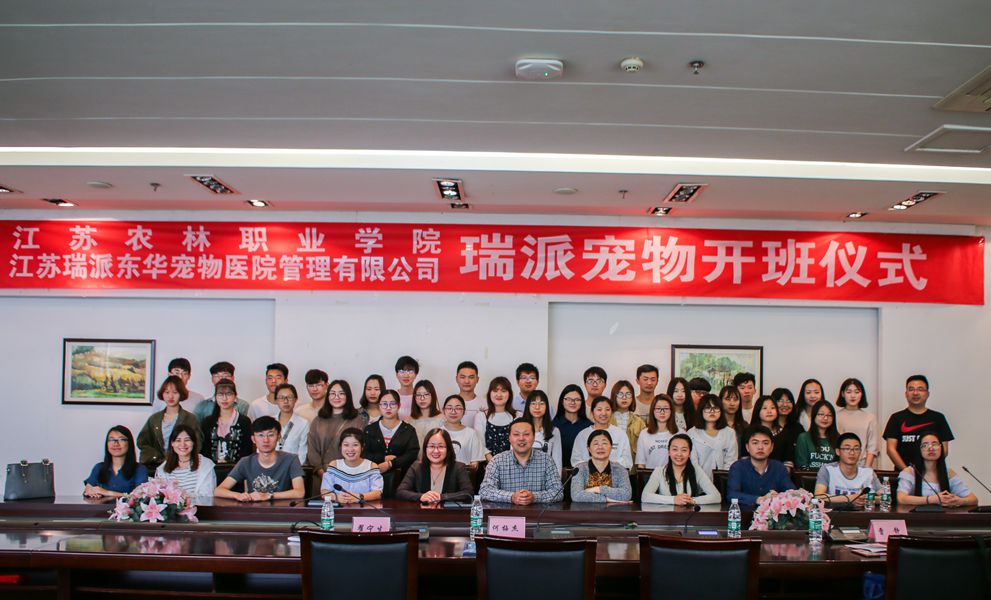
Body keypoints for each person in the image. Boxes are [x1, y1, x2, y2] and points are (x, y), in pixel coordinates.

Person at [214, 416, 305, 501]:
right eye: (260, 435)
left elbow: (300, 492)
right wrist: (238, 495)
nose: (266, 440)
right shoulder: (245, 462)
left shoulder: (291, 459)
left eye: (270, 435)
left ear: (278, 437)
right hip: (253, 510)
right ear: (253, 439)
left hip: (282, 510)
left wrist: (269, 495)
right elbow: (218, 491)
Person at [479, 420, 564, 504]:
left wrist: (534, 497)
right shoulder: (497, 461)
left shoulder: (546, 460)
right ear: (509, 438)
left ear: (534, 437)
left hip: (538, 512)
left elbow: (558, 492)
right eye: (516, 434)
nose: (521, 438)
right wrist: (511, 497)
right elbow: (485, 491)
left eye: (526, 434)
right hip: (506, 512)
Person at [883, 375, 953, 471]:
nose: (915, 393)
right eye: (911, 389)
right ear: (906, 394)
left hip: (931, 475)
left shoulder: (938, 418)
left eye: (920, 389)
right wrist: (907, 471)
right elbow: (891, 449)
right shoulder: (896, 418)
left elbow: (944, 449)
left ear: (927, 394)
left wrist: (929, 471)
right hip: (903, 474)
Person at [307, 379, 367, 489]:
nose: (336, 397)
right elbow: (312, 450)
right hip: (321, 476)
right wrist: (322, 474)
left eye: (341, 393)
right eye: (333, 393)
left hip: (350, 476)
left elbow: (361, 448)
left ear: (348, 396)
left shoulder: (359, 420)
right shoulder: (318, 420)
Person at [897, 432, 976, 508]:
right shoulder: (910, 472)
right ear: (919, 449)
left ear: (941, 448)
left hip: (943, 516)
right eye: (925, 445)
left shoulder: (949, 473)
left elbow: (973, 499)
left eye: (935, 444)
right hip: (916, 516)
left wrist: (959, 501)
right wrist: (932, 499)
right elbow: (901, 498)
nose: (931, 448)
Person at [363, 389, 420, 497]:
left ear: (399, 406)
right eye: (384, 404)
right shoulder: (369, 430)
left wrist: (391, 464)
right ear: (379, 406)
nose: (388, 408)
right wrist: (383, 458)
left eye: (392, 404)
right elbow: (364, 454)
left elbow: (412, 454)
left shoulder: (408, 430)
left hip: (402, 482)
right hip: (372, 483)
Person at [397, 428, 474, 504]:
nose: (436, 451)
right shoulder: (416, 467)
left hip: (448, 512)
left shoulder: (458, 467)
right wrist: (421, 496)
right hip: (422, 511)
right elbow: (400, 491)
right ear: (425, 448)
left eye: (441, 446)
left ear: (448, 449)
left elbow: (468, 493)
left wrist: (441, 497)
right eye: (431, 446)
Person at [726, 426, 796, 510]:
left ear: (772, 447)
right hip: (744, 515)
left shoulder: (779, 468)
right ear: (747, 447)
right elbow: (732, 494)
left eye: (765, 443)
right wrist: (758, 499)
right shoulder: (738, 467)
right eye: (755, 443)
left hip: (772, 516)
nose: (760, 447)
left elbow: (792, 492)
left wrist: (778, 496)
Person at [137, 375, 200, 467]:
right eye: (167, 392)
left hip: (183, 465)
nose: (170, 396)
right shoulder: (154, 419)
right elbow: (142, 442)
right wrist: (155, 456)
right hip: (157, 465)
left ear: (181, 394)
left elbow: (198, 443)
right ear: (162, 394)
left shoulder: (190, 418)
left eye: (175, 392)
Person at [642, 433, 721, 505]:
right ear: (669, 452)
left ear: (689, 453)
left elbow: (716, 497)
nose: (679, 454)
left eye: (684, 450)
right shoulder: (659, 471)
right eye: (675, 449)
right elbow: (645, 496)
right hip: (667, 515)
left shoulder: (697, 470)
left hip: (690, 515)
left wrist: (692, 500)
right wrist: (673, 500)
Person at [813, 432, 879, 509]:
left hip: (862, 514)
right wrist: (850, 498)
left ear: (860, 452)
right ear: (838, 451)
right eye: (847, 448)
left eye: (856, 449)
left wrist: (866, 500)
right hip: (834, 514)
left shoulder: (868, 472)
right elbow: (819, 496)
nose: (852, 452)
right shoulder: (827, 469)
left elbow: (886, 497)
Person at [319, 428, 384, 503]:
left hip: (364, 508)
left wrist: (360, 497)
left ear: (362, 447)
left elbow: (378, 493)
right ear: (340, 447)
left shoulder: (371, 466)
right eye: (346, 445)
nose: (350, 449)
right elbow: (324, 491)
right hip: (339, 509)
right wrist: (336, 497)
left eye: (355, 445)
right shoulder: (334, 465)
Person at [83, 425, 148, 497]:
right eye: (111, 440)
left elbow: (140, 497)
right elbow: (88, 489)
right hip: (101, 505)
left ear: (129, 443)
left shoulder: (140, 469)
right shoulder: (99, 467)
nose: (116, 444)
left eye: (121, 439)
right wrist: (91, 492)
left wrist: (107, 492)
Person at [201, 378, 254, 465]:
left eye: (229, 394)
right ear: (215, 397)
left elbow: (247, 450)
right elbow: (204, 450)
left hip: (238, 469)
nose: (224, 398)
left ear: (235, 397)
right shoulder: (208, 422)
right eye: (220, 394)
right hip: (211, 469)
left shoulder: (244, 421)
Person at [155, 424, 217, 498]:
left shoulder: (206, 465)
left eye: (187, 440)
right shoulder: (162, 470)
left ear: (193, 442)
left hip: (199, 505)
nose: (183, 444)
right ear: (172, 443)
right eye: (178, 440)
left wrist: (181, 497)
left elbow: (207, 495)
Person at [570, 430, 633, 503]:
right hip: (585, 510)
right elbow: (576, 496)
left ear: (611, 447)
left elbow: (626, 494)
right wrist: (607, 499)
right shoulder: (580, 469)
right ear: (589, 449)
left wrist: (598, 489)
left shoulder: (620, 469)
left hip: (613, 510)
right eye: (596, 444)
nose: (600, 447)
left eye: (604, 443)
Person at [571, 396, 633, 469]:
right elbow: (576, 461)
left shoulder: (620, 434)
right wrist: (593, 468)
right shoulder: (582, 435)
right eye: (599, 409)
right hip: (587, 474)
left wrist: (608, 467)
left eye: (607, 409)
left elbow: (627, 461)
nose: (604, 413)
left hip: (615, 474)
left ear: (612, 412)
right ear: (592, 412)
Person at [686, 394, 738, 478]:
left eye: (716, 408)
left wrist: (724, 479)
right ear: (701, 410)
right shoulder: (692, 433)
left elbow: (731, 460)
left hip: (723, 480)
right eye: (707, 408)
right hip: (698, 480)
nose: (712, 411)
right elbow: (693, 463)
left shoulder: (729, 433)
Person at [835, 378, 878, 467]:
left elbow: (872, 447)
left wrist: (867, 468)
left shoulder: (870, 417)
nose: (853, 395)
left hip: (863, 463)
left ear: (862, 394)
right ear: (842, 394)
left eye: (857, 392)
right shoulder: (836, 416)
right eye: (849, 392)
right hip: (840, 463)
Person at [473, 377, 517, 460]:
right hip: (488, 464)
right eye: (495, 391)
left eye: (503, 391)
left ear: (510, 394)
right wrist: (493, 462)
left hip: (513, 463)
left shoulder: (517, 416)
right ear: (489, 394)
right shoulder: (481, 416)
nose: (499, 394)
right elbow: (479, 443)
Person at [746, 395, 795, 469]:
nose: (769, 411)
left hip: (779, 473)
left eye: (772, 408)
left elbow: (788, 461)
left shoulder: (785, 433)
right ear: (757, 410)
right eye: (764, 408)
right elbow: (744, 458)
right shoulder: (749, 432)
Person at [440, 395, 485, 470]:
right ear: (443, 410)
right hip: (441, 474)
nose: (453, 412)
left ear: (464, 411)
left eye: (458, 408)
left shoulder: (471, 433)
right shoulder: (437, 433)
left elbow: (474, 463)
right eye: (449, 408)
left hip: (464, 475)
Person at [521, 390, 562, 472]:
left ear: (547, 407)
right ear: (528, 406)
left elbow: (557, 461)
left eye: (541, 403)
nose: (537, 407)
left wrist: (556, 479)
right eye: (533, 403)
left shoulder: (554, 431)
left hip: (546, 475)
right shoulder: (520, 428)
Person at [552, 385, 592, 467]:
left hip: (583, 470)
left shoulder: (589, 426)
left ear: (582, 402)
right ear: (562, 401)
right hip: (558, 471)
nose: (573, 402)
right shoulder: (553, 426)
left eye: (577, 399)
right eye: (568, 399)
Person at [609, 380, 647, 465]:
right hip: (610, 465)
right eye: (620, 394)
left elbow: (644, 449)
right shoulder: (607, 419)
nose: (624, 397)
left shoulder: (639, 422)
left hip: (632, 467)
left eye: (628, 394)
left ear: (632, 397)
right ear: (614, 396)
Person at [636, 395, 678, 470]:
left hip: (674, 475)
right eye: (658, 408)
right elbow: (641, 464)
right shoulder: (644, 434)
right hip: (650, 475)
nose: (662, 412)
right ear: (653, 411)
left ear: (671, 411)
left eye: (666, 408)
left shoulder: (679, 433)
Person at [794, 400, 838, 470]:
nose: (825, 418)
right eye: (821, 414)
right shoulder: (803, 438)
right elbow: (801, 465)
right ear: (814, 415)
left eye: (829, 415)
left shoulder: (838, 439)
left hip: (832, 476)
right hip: (808, 476)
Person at [273, 383, 310, 465]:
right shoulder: (270, 422)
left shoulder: (303, 424)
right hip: (271, 468)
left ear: (295, 399)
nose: (286, 401)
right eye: (281, 398)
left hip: (293, 468)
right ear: (276, 401)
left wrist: (294, 469)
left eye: (289, 397)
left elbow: (303, 453)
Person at [406, 379, 445, 444]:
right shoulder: (408, 421)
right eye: (418, 395)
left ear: (433, 396)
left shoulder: (442, 419)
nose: (422, 398)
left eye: (426, 394)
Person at [455, 361, 485, 426]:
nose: (467, 381)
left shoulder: (485, 404)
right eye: (463, 377)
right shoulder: (449, 404)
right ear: (456, 379)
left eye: (471, 377)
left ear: (477, 379)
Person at [394, 355, 419, 419]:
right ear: (397, 375)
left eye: (410, 371)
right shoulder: (392, 397)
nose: (406, 376)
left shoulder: (421, 396)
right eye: (402, 371)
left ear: (416, 375)